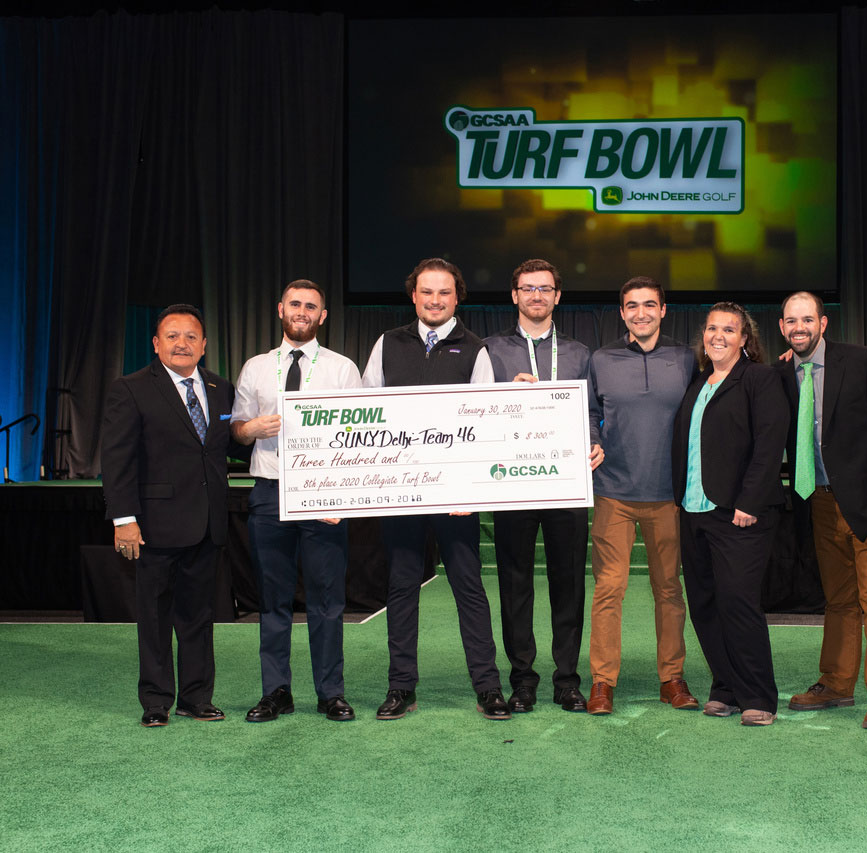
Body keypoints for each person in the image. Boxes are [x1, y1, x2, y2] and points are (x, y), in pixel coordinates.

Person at [362, 257, 510, 720]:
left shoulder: (476, 348)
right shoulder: (387, 344)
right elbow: (366, 415)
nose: (435, 300)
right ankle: (400, 687)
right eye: (427, 292)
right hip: (402, 494)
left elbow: (485, 423)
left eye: (444, 293)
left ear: (456, 297)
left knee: (469, 589)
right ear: (414, 296)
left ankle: (488, 687)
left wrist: (472, 491)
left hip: (457, 499)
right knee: (402, 588)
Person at [776, 292, 867, 729]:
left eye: (807, 319)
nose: (800, 327)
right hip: (817, 500)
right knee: (838, 601)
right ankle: (836, 683)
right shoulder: (781, 372)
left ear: (823, 323)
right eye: (791, 321)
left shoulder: (862, 361)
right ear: (782, 327)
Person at [101, 304, 243, 727]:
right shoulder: (130, 389)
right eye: (173, 336)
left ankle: (197, 698)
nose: (182, 343)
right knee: (156, 617)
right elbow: (117, 459)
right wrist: (123, 519)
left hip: (207, 524)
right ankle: (156, 702)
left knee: (199, 616)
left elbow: (226, 447)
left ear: (203, 345)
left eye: (191, 336)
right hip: (155, 526)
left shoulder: (221, 388)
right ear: (156, 343)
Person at [231, 280, 363, 723]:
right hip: (269, 493)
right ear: (280, 309)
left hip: (324, 495)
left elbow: (358, 434)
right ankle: (277, 692)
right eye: (295, 304)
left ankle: (330, 693)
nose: (302, 311)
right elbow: (238, 427)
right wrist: (250, 431)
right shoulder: (255, 367)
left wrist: (341, 491)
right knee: (273, 600)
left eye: (311, 306)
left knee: (328, 599)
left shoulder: (343, 369)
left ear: (322, 316)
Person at [484, 259, 603, 713]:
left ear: (557, 296)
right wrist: (501, 394)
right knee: (515, 584)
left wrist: (594, 443)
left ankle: (568, 679)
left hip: (567, 482)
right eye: (528, 288)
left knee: (568, 582)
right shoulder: (490, 351)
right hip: (511, 483)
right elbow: (472, 409)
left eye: (545, 288)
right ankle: (523, 678)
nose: (537, 295)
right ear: (514, 295)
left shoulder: (578, 353)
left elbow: (591, 412)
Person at [584, 276, 700, 715]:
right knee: (608, 589)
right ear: (622, 313)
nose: (641, 313)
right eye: (631, 306)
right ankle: (602, 683)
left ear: (664, 310)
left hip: (669, 494)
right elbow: (590, 411)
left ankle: (671, 679)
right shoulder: (602, 358)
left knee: (669, 589)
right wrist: (590, 437)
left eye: (649, 305)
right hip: (613, 491)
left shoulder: (686, 358)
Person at [672, 302, 788, 726]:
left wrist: (749, 501)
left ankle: (758, 695)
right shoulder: (699, 382)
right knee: (705, 603)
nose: (717, 335)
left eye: (728, 329)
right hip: (694, 508)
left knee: (739, 602)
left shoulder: (759, 378)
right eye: (711, 328)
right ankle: (726, 687)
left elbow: (769, 442)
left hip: (740, 514)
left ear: (744, 339)